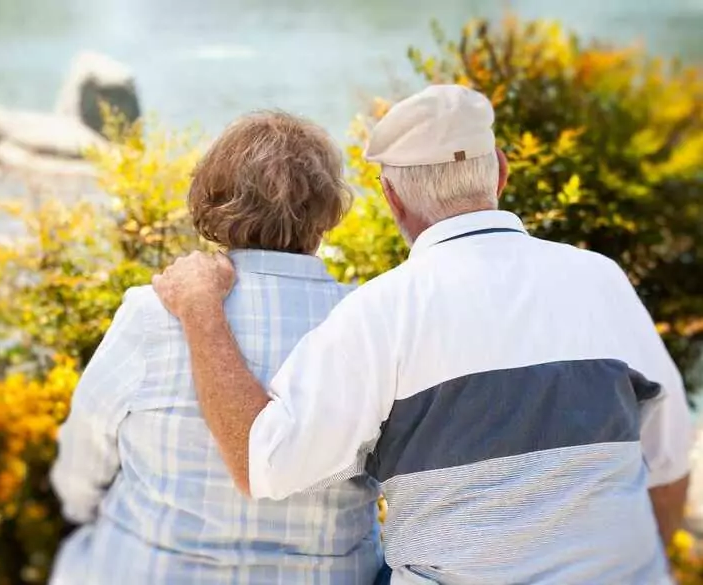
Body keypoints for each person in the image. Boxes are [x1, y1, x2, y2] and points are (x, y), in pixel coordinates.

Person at [151, 85, 693, 584]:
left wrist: (202, 311)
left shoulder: (380, 312)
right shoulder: (601, 279)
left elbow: (260, 463)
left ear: (393, 199)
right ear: (500, 172)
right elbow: (668, 465)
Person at [49, 112, 383, 584]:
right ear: (328, 209)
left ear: (213, 199)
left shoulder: (152, 312)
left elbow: (85, 450)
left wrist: (79, 506)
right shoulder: (367, 322)